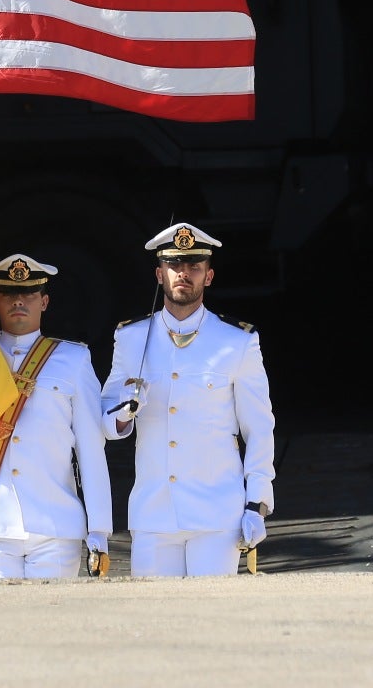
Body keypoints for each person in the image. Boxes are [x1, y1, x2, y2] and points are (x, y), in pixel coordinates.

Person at [102, 224, 276, 577]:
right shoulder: (131, 337)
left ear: (208, 276)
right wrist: (125, 412)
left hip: (216, 513)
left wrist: (256, 503)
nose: (184, 274)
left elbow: (258, 428)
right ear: (159, 274)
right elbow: (106, 422)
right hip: (153, 512)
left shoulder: (237, 340)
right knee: (154, 624)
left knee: (213, 622)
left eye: (194, 266)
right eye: (175, 265)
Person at [0, 254, 113, 580]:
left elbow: (90, 450)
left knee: (53, 625)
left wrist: (99, 529)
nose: (19, 301)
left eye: (30, 294)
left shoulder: (73, 359)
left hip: (56, 526)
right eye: (8, 294)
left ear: (44, 302)